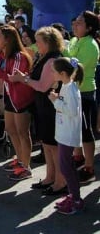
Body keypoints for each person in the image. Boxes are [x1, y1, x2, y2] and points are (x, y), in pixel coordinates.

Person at [10, 26, 66, 195]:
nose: (36, 43)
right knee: (47, 144)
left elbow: (42, 86)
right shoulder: (45, 58)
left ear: (48, 42)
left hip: (51, 107)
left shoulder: (52, 60)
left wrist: (23, 78)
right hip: (43, 106)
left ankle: (60, 181)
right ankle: (50, 177)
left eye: (39, 41)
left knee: (53, 146)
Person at [0, 25, 35, 181]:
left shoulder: (20, 56)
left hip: (21, 98)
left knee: (23, 132)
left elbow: (12, 78)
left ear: (8, 39)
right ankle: (19, 160)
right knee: (11, 129)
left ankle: (26, 167)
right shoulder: (2, 54)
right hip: (9, 96)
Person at [49, 57, 85, 215]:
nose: (52, 74)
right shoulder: (66, 85)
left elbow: (72, 111)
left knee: (66, 167)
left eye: (53, 71)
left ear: (62, 73)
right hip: (64, 132)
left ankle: (76, 200)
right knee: (67, 166)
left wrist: (55, 101)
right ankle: (73, 195)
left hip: (68, 134)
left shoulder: (70, 88)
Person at [67, 10, 99, 184]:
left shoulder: (91, 45)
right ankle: (77, 157)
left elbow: (75, 66)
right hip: (71, 90)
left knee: (86, 132)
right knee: (75, 129)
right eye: (74, 22)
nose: (74, 25)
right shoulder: (74, 40)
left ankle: (89, 167)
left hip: (85, 92)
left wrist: (65, 57)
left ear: (89, 28)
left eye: (79, 23)